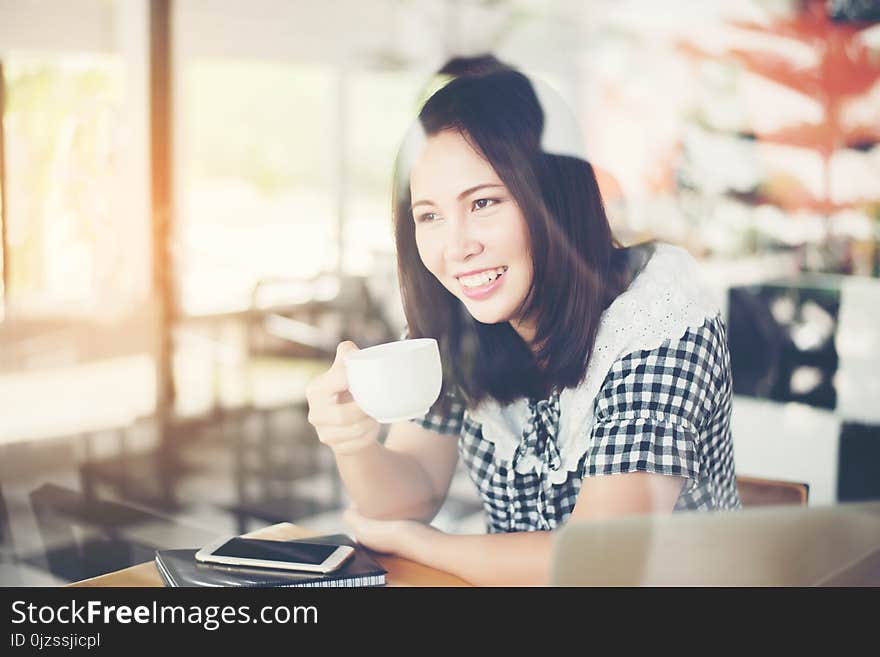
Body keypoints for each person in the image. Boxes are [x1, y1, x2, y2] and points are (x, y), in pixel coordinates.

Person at [305, 60, 740, 586]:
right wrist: (351, 440)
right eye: (430, 216)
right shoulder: (463, 320)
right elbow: (412, 491)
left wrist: (422, 544)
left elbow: (601, 564)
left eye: (484, 203)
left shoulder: (659, 317)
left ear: (552, 199)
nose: (457, 247)